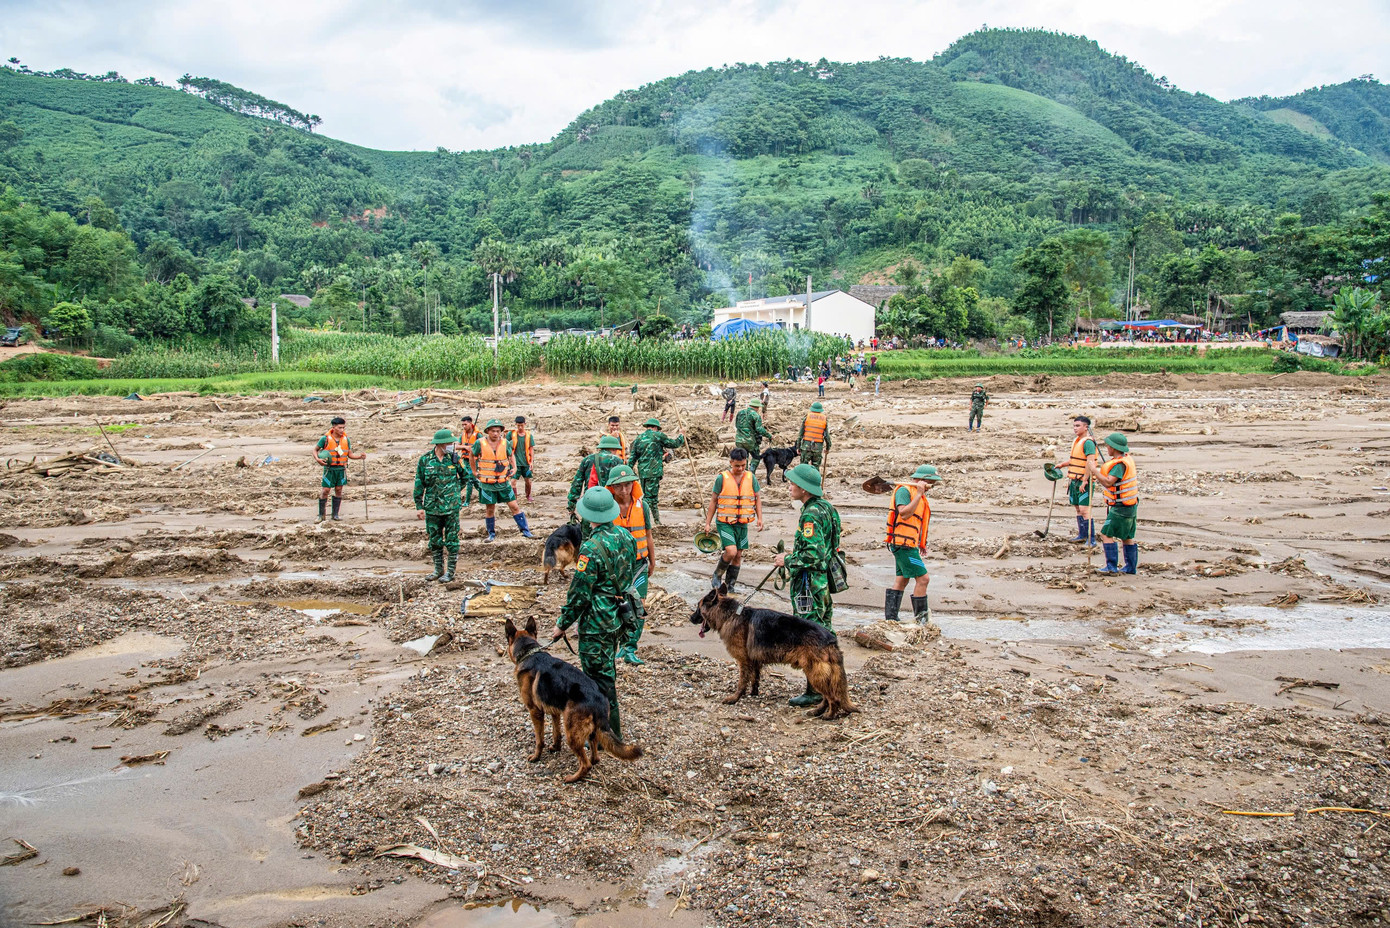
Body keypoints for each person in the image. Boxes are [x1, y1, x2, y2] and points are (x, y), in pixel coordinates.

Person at [554, 486, 637, 738]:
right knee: (607, 671)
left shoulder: (590, 549)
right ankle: (607, 734)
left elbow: (580, 594)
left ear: (589, 516)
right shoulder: (627, 537)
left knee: (599, 683)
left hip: (596, 624)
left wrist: (562, 624)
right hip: (617, 617)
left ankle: (608, 736)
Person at [773, 463, 841, 708]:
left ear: (804, 488)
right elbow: (834, 545)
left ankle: (815, 689)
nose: (789, 486)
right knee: (825, 632)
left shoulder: (811, 514)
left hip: (808, 585)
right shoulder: (827, 509)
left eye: (793, 483)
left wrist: (787, 559)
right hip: (821, 584)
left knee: (810, 637)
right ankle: (832, 683)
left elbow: (814, 556)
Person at [605, 465, 656, 665]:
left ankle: (630, 648)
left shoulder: (642, 507)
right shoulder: (607, 508)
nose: (624, 490)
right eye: (619, 486)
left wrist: (653, 560)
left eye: (627, 485)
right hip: (616, 567)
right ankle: (619, 645)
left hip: (639, 564)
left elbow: (649, 535)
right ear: (612, 488)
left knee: (639, 605)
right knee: (618, 605)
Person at [884, 465, 943, 626]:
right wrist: (918, 493)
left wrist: (921, 544)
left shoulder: (917, 494)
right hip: (903, 545)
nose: (931, 487)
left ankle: (891, 620)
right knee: (923, 579)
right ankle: (922, 623)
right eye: (930, 482)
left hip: (908, 544)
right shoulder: (905, 491)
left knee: (902, 580)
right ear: (922, 480)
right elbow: (904, 513)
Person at [703, 447, 763, 591]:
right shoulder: (721, 478)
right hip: (725, 522)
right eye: (737, 466)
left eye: (743, 465)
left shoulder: (751, 477)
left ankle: (730, 587)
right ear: (731, 462)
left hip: (742, 523)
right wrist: (707, 523)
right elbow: (713, 501)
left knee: (738, 555)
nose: (740, 468)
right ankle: (717, 575)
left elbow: (757, 498)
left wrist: (760, 518)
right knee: (731, 552)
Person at [413, 428, 467, 582]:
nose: (452, 445)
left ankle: (450, 572)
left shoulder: (454, 459)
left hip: (451, 508)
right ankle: (438, 569)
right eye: (449, 443)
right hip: (432, 508)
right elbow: (419, 483)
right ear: (441, 444)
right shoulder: (425, 460)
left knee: (452, 541)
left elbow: (465, 477)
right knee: (435, 541)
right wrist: (419, 506)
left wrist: (455, 491)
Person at [471, 419, 534, 541]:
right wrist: (474, 472)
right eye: (493, 431)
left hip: (503, 482)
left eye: (498, 431)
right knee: (490, 509)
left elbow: (511, 455)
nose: (495, 434)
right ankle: (491, 534)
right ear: (488, 431)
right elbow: (471, 456)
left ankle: (526, 531)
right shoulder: (480, 443)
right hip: (487, 483)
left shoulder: (505, 443)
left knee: (514, 506)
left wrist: (514, 467)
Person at [1091, 432, 1139, 575]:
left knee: (1106, 534)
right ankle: (1130, 567)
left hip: (1120, 507)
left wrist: (1094, 470)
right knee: (1127, 536)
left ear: (1113, 447)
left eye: (1108, 445)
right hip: (1130, 505)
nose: (1107, 448)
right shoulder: (1126, 460)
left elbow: (1108, 482)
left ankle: (1111, 566)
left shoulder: (1119, 466)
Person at [627, 417, 684, 524]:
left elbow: (632, 458)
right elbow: (675, 444)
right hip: (653, 472)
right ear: (656, 428)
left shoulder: (638, 439)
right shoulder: (658, 436)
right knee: (651, 498)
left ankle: (651, 520)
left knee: (645, 495)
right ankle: (648, 521)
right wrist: (681, 435)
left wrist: (628, 471)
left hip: (642, 472)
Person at [567, 435, 635, 519]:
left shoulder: (587, 460)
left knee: (589, 526)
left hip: (591, 500)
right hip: (610, 501)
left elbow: (577, 483)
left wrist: (571, 506)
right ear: (613, 449)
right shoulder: (618, 461)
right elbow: (625, 482)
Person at [313, 417, 366, 523]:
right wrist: (318, 459)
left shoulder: (346, 440)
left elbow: (349, 454)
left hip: (341, 469)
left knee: (338, 490)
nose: (342, 430)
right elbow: (315, 450)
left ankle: (335, 514)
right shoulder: (325, 439)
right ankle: (321, 515)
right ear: (333, 427)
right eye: (339, 428)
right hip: (329, 469)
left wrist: (360, 456)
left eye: (343, 428)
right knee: (325, 490)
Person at [1061, 416, 1100, 546]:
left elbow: (1090, 462)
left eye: (1078, 426)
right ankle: (1082, 535)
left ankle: (1091, 538)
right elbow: (1076, 460)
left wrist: (1085, 480)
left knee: (1084, 510)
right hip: (1074, 479)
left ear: (1086, 427)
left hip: (1084, 481)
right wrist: (1063, 465)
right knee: (1078, 508)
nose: (1075, 428)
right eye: (1074, 426)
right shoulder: (1077, 441)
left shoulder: (1088, 442)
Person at [734, 398, 773, 473]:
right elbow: (759, 429)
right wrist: (769, 436)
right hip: (750, 441)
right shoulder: (755, 415)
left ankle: (743, 474)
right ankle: (751, 473)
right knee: (756, 457)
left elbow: (737, 425)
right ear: (757, 407)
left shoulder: (740, 412)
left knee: (743, 457)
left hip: (739, 440)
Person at [507, 416, 537, 503]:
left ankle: (528, 495)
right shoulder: (511, 434)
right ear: (516, 424)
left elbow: (531, 449)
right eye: (518, 425)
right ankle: (514, 498)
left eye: (522, 425)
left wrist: (531, 462)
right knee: (513, 481)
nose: (520, 427)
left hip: (526, 462)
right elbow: (505, 445)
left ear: (525, 424)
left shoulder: (528, 435)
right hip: (515, 463)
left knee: (528, 481)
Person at [797, 401, 831, 471]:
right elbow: (827, 436)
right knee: (815, 468)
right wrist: (828, 447)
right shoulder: (824, 419)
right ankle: (814, 481)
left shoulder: (807, 417)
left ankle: (803, 481)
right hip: (817, 448)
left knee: (803, 467)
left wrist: (798, 447)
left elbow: (800, 434)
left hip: (806, 446)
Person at [458, 414, 480, 508]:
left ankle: (467, 501)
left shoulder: (478, 435)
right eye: (462, 425)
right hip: (465, 461)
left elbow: (483, 446)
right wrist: (465, 447)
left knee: (470, 480)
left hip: (474, 461)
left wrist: (474, 449)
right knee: (474, 480)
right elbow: (456, 446)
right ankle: (485, 495)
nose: (464, 426)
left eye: (465, 424)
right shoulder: (463, 434)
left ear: (471, 423)